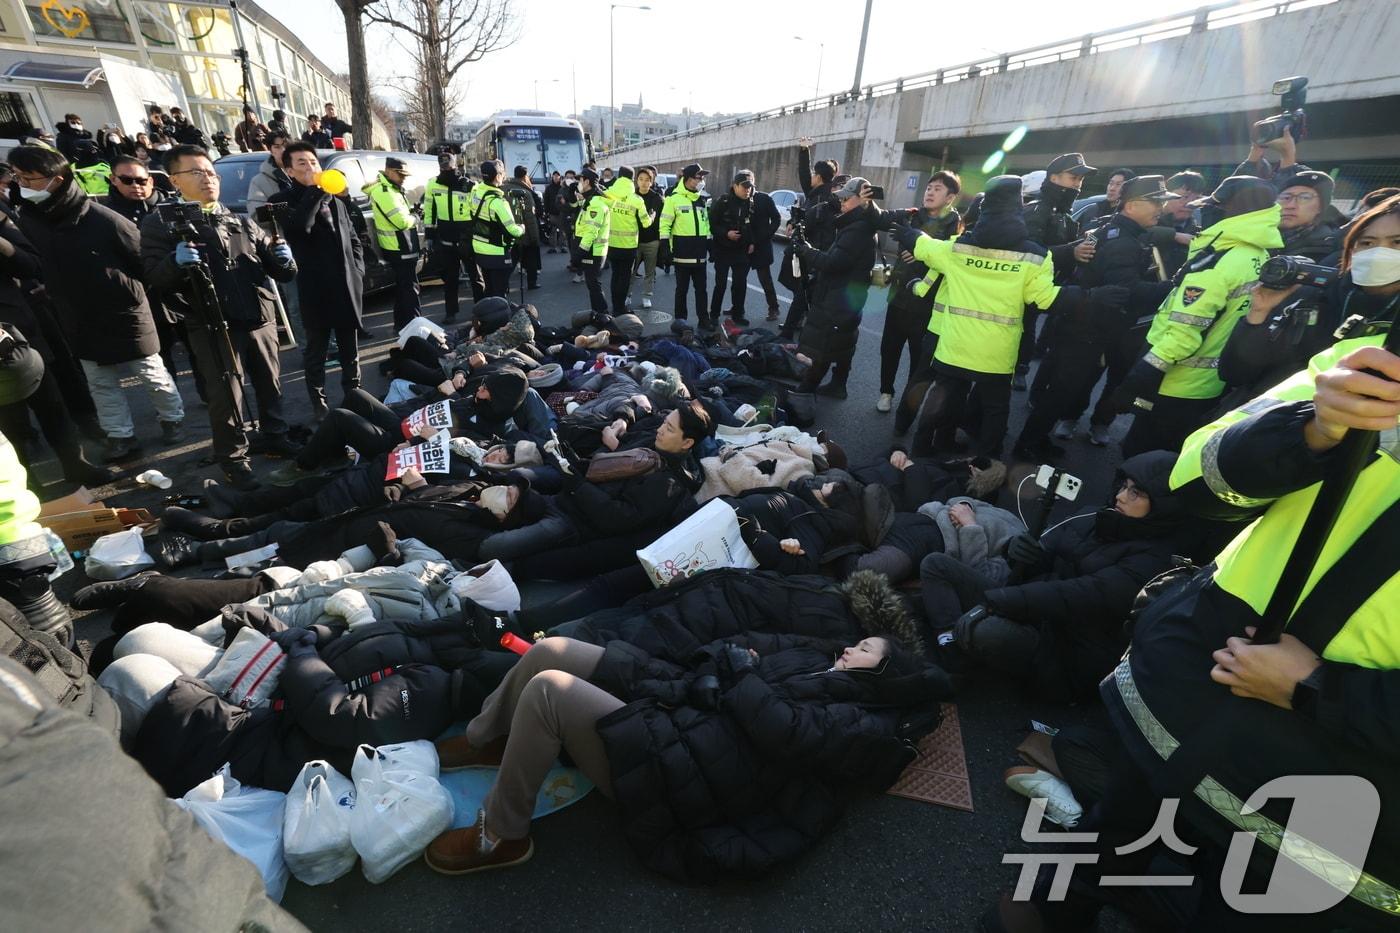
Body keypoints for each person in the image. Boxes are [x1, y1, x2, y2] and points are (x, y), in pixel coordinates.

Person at [988, 340, 1400, 932]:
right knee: (1109, 838)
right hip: (1197, 680)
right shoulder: (1365, 353)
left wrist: (1315, 688)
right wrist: (1313, 429)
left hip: (1343, 778)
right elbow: (1198, 476)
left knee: (1245, 903)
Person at [423, 574, 949, 879]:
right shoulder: (820, 656)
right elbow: (741, 645)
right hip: (687, 708)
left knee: (550, 693)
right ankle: (487, 739)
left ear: (878, 672)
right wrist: (732, 668)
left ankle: (504, 835)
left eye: (862, 651)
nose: (849, 647)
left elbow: (785, 730)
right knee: (550, 650)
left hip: (685, 770)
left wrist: (738, 674)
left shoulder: (859, 721)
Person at [922, 451, 1182, 699]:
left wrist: (998, 601)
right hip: (1030, 607)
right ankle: (951, 647)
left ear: (1161, 506)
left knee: (986, 629)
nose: (1121, 497)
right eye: (1123, 486)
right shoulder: (1096, 516)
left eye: (1135, 493)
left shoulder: (1154, 560)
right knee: (936, 564)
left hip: (1062, 648)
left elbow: (1078, 596)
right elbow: (1045, 556)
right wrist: (1016, 551)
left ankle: (961, 643)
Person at [10, 145, 184, 462]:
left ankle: (172, 419)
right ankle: (121, 436)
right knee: (101, 383)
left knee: (151, 373)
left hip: (125, 314)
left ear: (57, 179)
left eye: (29, 178)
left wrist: (121, 288)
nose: (21, 184)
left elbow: (143, 263)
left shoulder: (104, 219)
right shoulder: (32, 220)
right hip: (76, 317)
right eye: (18, 177)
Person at [140, 145, 298, 488]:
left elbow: (280, 272)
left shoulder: (238, 218)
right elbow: (154, 276)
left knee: (270, 384)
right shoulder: (162, 224)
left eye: (211, 172)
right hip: (212, 323)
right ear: (174, 180)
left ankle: (275, 434)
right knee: (226, 395)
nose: (208, 179)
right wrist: (174, 262)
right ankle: (233, 457)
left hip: (259, 317)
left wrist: (284, 259)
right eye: (197, 172)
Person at [1109, 175, 1283, 457]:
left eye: (1213, 207)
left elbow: (1183, 336)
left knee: (1139, 459)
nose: (1205, 212)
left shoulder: (1216, 263)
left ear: (1230, 211)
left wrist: (1137, 380)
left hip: (1176, 383)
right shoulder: (1258, 254)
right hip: (1209, 383)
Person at [1014, 175, 1178, 459]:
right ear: (1132, 205)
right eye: (1156, 202)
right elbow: (1128, 292)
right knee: (1061, 394)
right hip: (1087, 331)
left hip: (1084, 327)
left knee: (1063, 392)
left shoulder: (1118, 232)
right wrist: (1173, 286)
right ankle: (1027, 445)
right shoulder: (1121, 242)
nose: (1161, 208)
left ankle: (1035, 440)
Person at [1221, 194, 1400, 402]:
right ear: (1352, 248)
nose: (1379, 252)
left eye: (1397, 242)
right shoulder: (1314, 294)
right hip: (1253, 417)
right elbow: (1233, 373)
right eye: (1367, 242)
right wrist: (1259, 314)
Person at [0, 211, 113, 487]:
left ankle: (76, 464)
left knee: (51, 404)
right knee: (8, 422)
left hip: (21, 332)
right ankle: (24, 484)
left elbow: (31, 265)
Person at [268, 142, 365, 419]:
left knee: (350, 349)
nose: (311, 167)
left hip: (345, 284)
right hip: (313, 287)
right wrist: (314, 192)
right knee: (316, 350)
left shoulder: (336, 198)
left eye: (314, 162)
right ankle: (319, 403)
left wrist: (358, 270)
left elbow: (353, 238)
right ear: (288, 170)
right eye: (302, 163)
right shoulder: (281, 200)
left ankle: (353, 395)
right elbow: (300, 227)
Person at [101, 156, 199, 404]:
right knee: (158, 357)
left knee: (198, 350)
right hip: (141, 298)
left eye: (141, 180)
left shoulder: (172, 208)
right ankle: (171, 408)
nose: (136, 185)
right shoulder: (107, 215)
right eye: (127, 180)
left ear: (151, 180)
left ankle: (210, 397)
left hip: (180, 292)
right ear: (114, 180)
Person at [790, 178, 880, 407]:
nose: (841, 201)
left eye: (846, 198)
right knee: (843, 341)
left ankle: (803, 394)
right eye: (841, 197)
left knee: (823, 345)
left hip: (837, 298)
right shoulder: (861, 225)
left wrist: (805, 251)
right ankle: (838, 385)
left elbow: (833, 263)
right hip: (848, 297)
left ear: (863, 200)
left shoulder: (857, 229)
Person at [883, 171, 961, 418]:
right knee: (889, 349)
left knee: (918, 360)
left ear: (950, 197)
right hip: (898, 296)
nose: (930, 192)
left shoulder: (955, 228)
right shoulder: (912, 216)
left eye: (937, 189)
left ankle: (908, 403)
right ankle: (886, 392)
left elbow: (950, 263)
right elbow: (883, 219)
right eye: (929, 188)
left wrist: (920, 257)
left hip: (927, 305)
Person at [1018, 152, 1096, 391]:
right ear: (1054, 178)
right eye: (1073, 177)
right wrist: (1070, 252)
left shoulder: (1064, 214)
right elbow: (1026, 252)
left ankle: (1020, 369)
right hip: (1023, 288)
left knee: (1030, 330)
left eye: (1080, 180)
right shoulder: (1037, 210)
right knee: (1020, 329)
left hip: (1049, 288)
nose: (1077, 184)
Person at [782, 136, 845, 339]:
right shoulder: (817, 192)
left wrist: (798, 224)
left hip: (813, 253)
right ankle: (799, 324)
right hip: (812, 251)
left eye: (813, 174)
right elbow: (803, 174)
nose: (809, 177)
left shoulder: (826, 198)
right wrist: (804, 151)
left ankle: (790, 332)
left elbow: (814, 222)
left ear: (817, 176)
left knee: (803, 293)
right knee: (803, 292)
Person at [365, 157, 423, 330]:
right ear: (389, 171)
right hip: (399, 246)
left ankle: (402, 326)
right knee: (410, 290)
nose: (404, 177)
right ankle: (415, 327)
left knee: (403, 289)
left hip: (400, 245)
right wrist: (416, 218)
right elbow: (401, 221)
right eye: (400, 174)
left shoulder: (392, 189)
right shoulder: (385, 192)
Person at [423, 150, 477, 323]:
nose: (445, 167)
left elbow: (476, 211)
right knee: (450, 278)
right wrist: (430, 234)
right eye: (442, 164)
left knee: (475, 275)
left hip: (465, 236)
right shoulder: (432, 184)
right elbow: (429, 210)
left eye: (448, 164)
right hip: (445, 237)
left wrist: (474, 233)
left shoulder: (467, 185)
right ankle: (451, 312)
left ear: (455, 164)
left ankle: (481, 309)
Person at [658, 162, 710, 323]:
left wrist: (710, 245)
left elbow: (706, 224)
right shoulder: (673, 199)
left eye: (702, 177)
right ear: (688, 179)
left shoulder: (702, 199)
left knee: (702, 290)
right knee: (682, 289)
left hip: (700, 253)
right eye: (698, 177)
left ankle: (704, 320)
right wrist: (665, 246)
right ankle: (681, 321)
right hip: (682, 253)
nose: (701, 180)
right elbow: (664, 224)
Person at [599, 166, 651, 314]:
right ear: (632, 179)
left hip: (611, 244)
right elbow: (646, 223)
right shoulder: (637, 200)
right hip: (629, 246)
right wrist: (652, 217)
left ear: (618, 176)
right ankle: (620, 308)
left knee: (615, 276)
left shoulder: (607, 195)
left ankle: (615, 306)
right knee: (624, 278)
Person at [709, 172, 756, 328]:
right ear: (735, 186)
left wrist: (751, 242)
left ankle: (738, 314)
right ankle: (714, 315)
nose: (747, 190)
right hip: (722, 249)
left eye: (750, 187)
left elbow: (751, 226)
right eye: (744, 187)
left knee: (740, 284)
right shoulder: (722, 202)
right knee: (720, 284)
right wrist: (726, 233)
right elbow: (711, 225)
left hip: (741, 251)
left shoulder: (750, 203)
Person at [740, 169, 783, 323]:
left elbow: (777, 219)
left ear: (754, 182)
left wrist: (766, 235)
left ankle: (774, 307)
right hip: (743, 245)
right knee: (739, 280)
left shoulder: (764, 199)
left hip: (761, 245)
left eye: (749, 182)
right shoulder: (739, 199)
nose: (747, 187)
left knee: (765, 280)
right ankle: (737, 308)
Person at [1275, 169, 1341, 263]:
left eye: (1305, 198)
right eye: (1286, 197)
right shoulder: (1258, 236)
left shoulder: (1328, 248)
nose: (1290, 206)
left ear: (1321, 207)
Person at [574, 167, 611, 313]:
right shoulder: (590, 201)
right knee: (592, 284)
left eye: (580, 181)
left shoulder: (595, 204)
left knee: (594, 284)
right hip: (592, 250)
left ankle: (603, 314)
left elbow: (591, 232)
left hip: (593, 251)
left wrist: (580, 251)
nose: (579, 184)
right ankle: (599, 314)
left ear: (587, 182)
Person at [501, 164, 542, 291]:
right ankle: (532, 283)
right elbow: (530, 218)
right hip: (524, 232)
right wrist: (535, 237)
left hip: (506, 230)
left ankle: (503, 285)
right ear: (525, 176)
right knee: (530, 260)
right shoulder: (526, 193)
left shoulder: (502, 188)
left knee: (510, 260)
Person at [633, 166, 666, 309]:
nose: (644, 182)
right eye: (641, 179)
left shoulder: (657, 198)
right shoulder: (631, 196)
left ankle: (647, 296)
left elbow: (662, 220)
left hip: (652, 240)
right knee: (630, 271)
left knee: (650, 272)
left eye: (647, 180)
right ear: (636, 181)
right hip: (633, 240)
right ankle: (627, 296)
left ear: (651, 182)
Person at [245, 132, 292, 214]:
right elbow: (256, 214)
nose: (283, 150)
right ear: (271, 151)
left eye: (286, 146)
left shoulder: (304, 172)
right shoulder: (258, 181)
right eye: (277, 147)